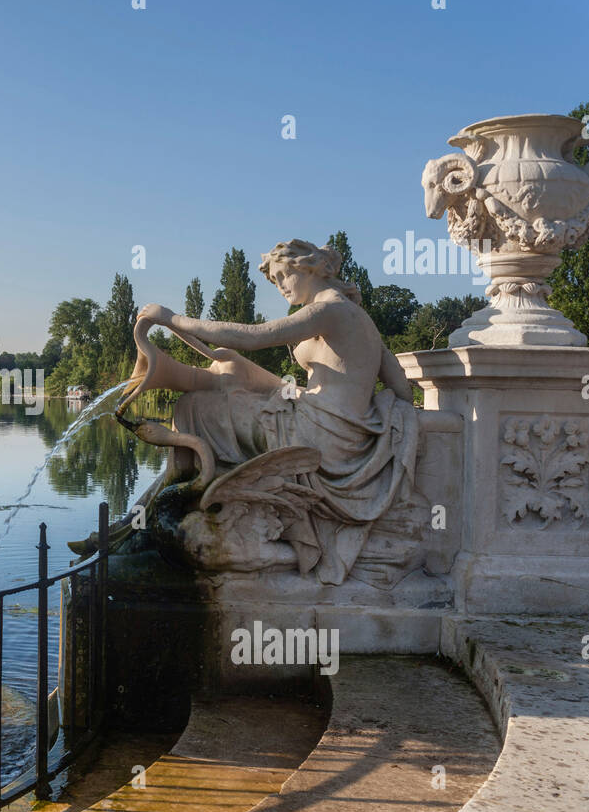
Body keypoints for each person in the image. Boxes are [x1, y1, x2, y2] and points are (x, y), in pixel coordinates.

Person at [122, 238, 422, 585]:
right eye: (275, 280)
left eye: (283, 275)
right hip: (337, 431)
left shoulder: (330, 309)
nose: (280, 286)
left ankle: (165, 516)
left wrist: (172, 318)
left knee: (195, 407)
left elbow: (253, 335)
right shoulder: (358, 316)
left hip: (318, 436)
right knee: (224, 386)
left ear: (310, 267)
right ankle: (151, 516)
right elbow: (399, 385)